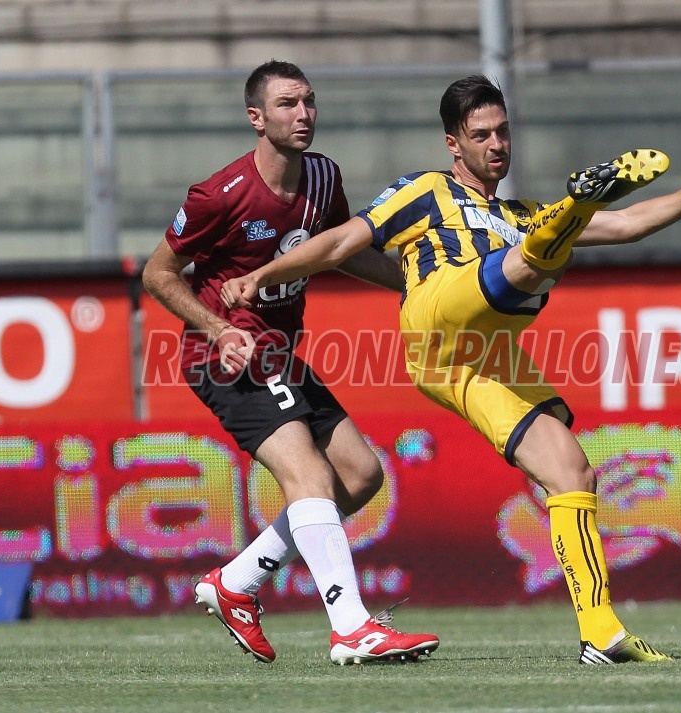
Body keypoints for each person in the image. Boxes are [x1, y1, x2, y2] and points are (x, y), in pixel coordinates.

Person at [220, 74, 681, 665]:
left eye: (503, 131)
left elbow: (630, 224)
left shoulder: (519, 212)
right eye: (481, 134)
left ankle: (602, 633)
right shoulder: (425, 190)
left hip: (484, 356)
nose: (497, 144)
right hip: (438, 320)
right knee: (524, 263)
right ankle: (578, 204)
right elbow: (338, 244)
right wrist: (261, 277)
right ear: (454, 144)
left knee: (571, 471)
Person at [141, 60, 438, 666]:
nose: (302, 114)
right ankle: (352, 629)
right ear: (257, 118)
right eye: (286, 104)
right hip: (226, 356)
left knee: (359, 476)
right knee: (309, 477)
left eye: (308, 101)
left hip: (280, 354)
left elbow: (337, 252)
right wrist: (218, 328)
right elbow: (158, 274)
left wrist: (417, 282)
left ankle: (237, 584)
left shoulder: (324, 177)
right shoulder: (217, 195)